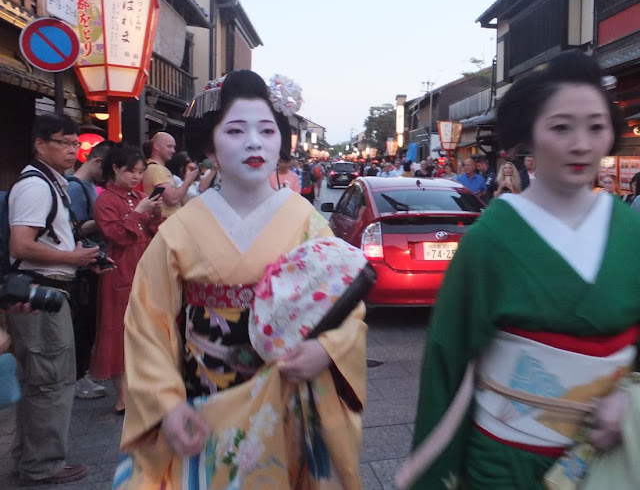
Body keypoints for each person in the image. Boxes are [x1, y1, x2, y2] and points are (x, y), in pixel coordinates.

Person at [116, 70, 366, 489]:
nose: (254, 141)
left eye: (267, 130)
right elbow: (147, 320)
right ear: (211, 144)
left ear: (280, 142)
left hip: (285, 400)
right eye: (235, 130)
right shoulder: (182, 228)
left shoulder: (305, 220)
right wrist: (166, 404)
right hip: (204, 403)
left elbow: (346, 301)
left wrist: (326, 348)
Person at [410, 51, 640, 490]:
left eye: (595, 126)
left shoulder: (632, 230)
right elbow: (446, 362)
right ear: (529, 136)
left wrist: (633, 401)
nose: (580, 144)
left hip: (611, 456)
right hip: (505, 462)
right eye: (560, 127)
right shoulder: (490, 238)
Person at [6, 114, 108, 485]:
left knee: (41, 379)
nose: (72, 150)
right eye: (64, 143)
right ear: (39, 144)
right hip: (40, 294)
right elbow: (22, 245)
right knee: (50, 380)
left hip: (48, 290)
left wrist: (82, 256)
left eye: (73, 143)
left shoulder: (53, 183)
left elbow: (49, 238)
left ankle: (28, 459)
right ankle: (43, 465)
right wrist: (72, 258)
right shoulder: (36, 186)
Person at [90, 144, 162, 414]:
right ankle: (122, 395)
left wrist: (153, 214)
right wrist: (140, 211)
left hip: (143, 269)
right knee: (117, 332)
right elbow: (115, 235)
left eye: (140, 171)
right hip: (119, 270)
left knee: (142, 331)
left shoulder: (139, 195)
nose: (136, 177)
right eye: (131, 171)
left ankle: (138, 389)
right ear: (115, 169)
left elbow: (154, 230)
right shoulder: (106, 200)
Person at [67, 139, 113, 401]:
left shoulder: (84, 187)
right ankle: (77, 377)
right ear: (96, 161)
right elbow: (74, 228)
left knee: (88, 322)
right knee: (83, 323)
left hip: (91, 260)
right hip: (83, 265)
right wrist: (106, 220)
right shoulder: (76, 189)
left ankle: (80, 373)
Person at [142, 132, 199, 217]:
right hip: (166, 222)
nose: (173, 151)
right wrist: (187, 180)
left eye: (173, 147)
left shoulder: (156, 168)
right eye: (169, 146)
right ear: (156, 146)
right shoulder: (157, 169)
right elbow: (173, 200)